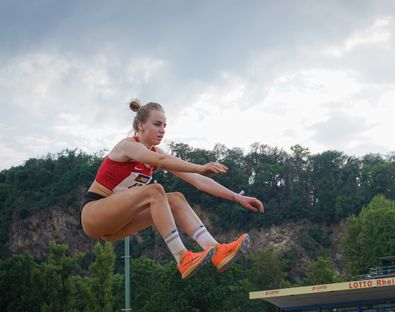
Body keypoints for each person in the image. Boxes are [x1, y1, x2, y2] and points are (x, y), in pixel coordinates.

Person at [80, 99, 264, 279]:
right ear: (141, 125)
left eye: (165, 126)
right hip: (94, 214)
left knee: (175, 198)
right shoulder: (127, 146)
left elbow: (199, 181)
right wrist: (201, 166)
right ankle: (181, 256)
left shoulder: (155, 152)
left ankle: (215, 250)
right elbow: (160, 161)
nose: (162, 131)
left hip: (117, 225)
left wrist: (237, 197)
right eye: (157, 124)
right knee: (155, 190)